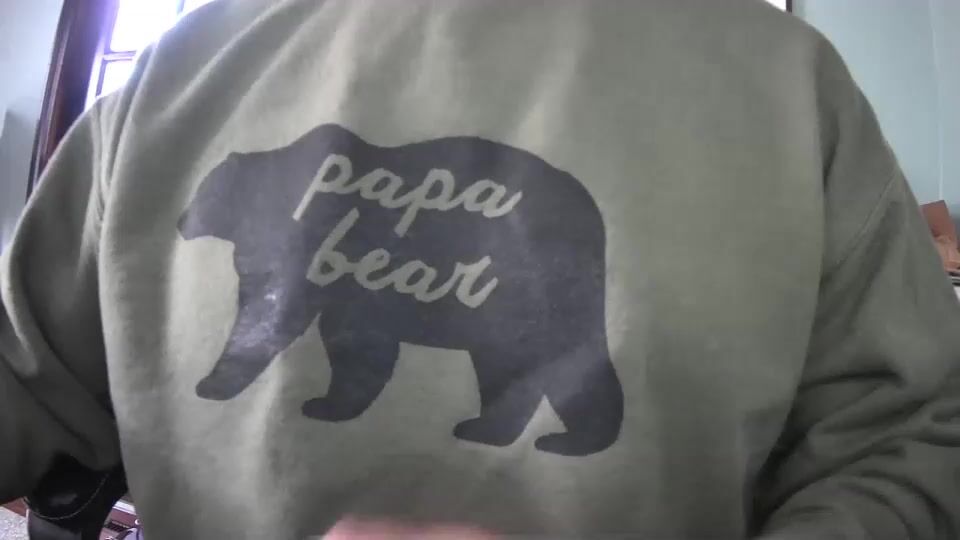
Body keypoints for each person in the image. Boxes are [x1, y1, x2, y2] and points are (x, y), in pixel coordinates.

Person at [3, 0, 960, 538]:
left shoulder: (782, 83)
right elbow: (27, 380)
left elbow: (911, 439)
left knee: (532, 338)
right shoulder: (179, 73)